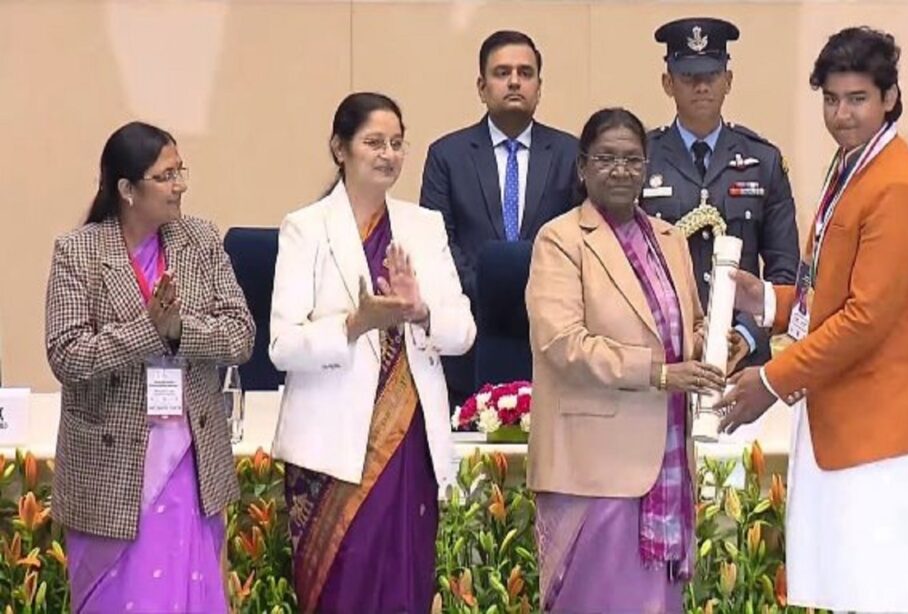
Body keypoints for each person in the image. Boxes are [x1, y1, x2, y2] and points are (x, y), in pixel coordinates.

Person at [717, 27, 908, 612]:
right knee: (846, 592)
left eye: (857, 99)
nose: (841, 115)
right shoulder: (852, 164)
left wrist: (770, 380)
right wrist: (767, 302)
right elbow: (828, 288)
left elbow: (865, 319)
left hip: (882, 435)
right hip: (842, 424)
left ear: (889, 98)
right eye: (830, 100)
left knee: (882, 597)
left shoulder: (896, 186)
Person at [269, 92, 475, 613]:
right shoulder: (306, 227)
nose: (388, 155)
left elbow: (463, 331)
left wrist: (420, 311)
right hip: (331, 452)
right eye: (374, 142)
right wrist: (354, 325)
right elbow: (282, 345)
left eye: (397, 144)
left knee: (405, 585)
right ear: (340, 149)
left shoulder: (423, 226)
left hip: (407, 441)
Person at [45, 121, 255, 613]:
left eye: (180, 171)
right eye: (165, 176)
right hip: (111, 472)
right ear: (126, 189)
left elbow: (240, 334)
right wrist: (147, 330)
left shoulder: (200, 240)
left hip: (190, 462)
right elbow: (66, 354)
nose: (179, 185)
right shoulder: (79, 252)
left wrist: (178, 331)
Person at [526, 107, 730, 612]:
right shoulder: (560, 240)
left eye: (633, 160)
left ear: (646, 168)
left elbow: (689, 324)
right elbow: (563, 344)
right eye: (606, 158)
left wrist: (712, 344)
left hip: (666, 460)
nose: (621, 170)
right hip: (593, 468)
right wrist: (659, 374)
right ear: (582, 168)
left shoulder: (669, 239)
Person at [421, 30, 578, 407]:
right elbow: (439, 242)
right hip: (471, 333)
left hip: (552, 336)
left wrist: (539, 293)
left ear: (539, 87)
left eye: (525, 73)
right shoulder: (447, 155)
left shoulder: (571, 153)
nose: (514, 82)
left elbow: (580, 238)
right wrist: (491, 290)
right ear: (482, 87)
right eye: (502, 72)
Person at [644, 17, 799, 372]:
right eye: (688, 77)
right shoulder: (643, 158)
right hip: (667, 352)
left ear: (728, 80)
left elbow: (784, 269)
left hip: (743, 358)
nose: (701, 87)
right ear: (668, 83)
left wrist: (748, 335)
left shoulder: (762, 160)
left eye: (711, 76)